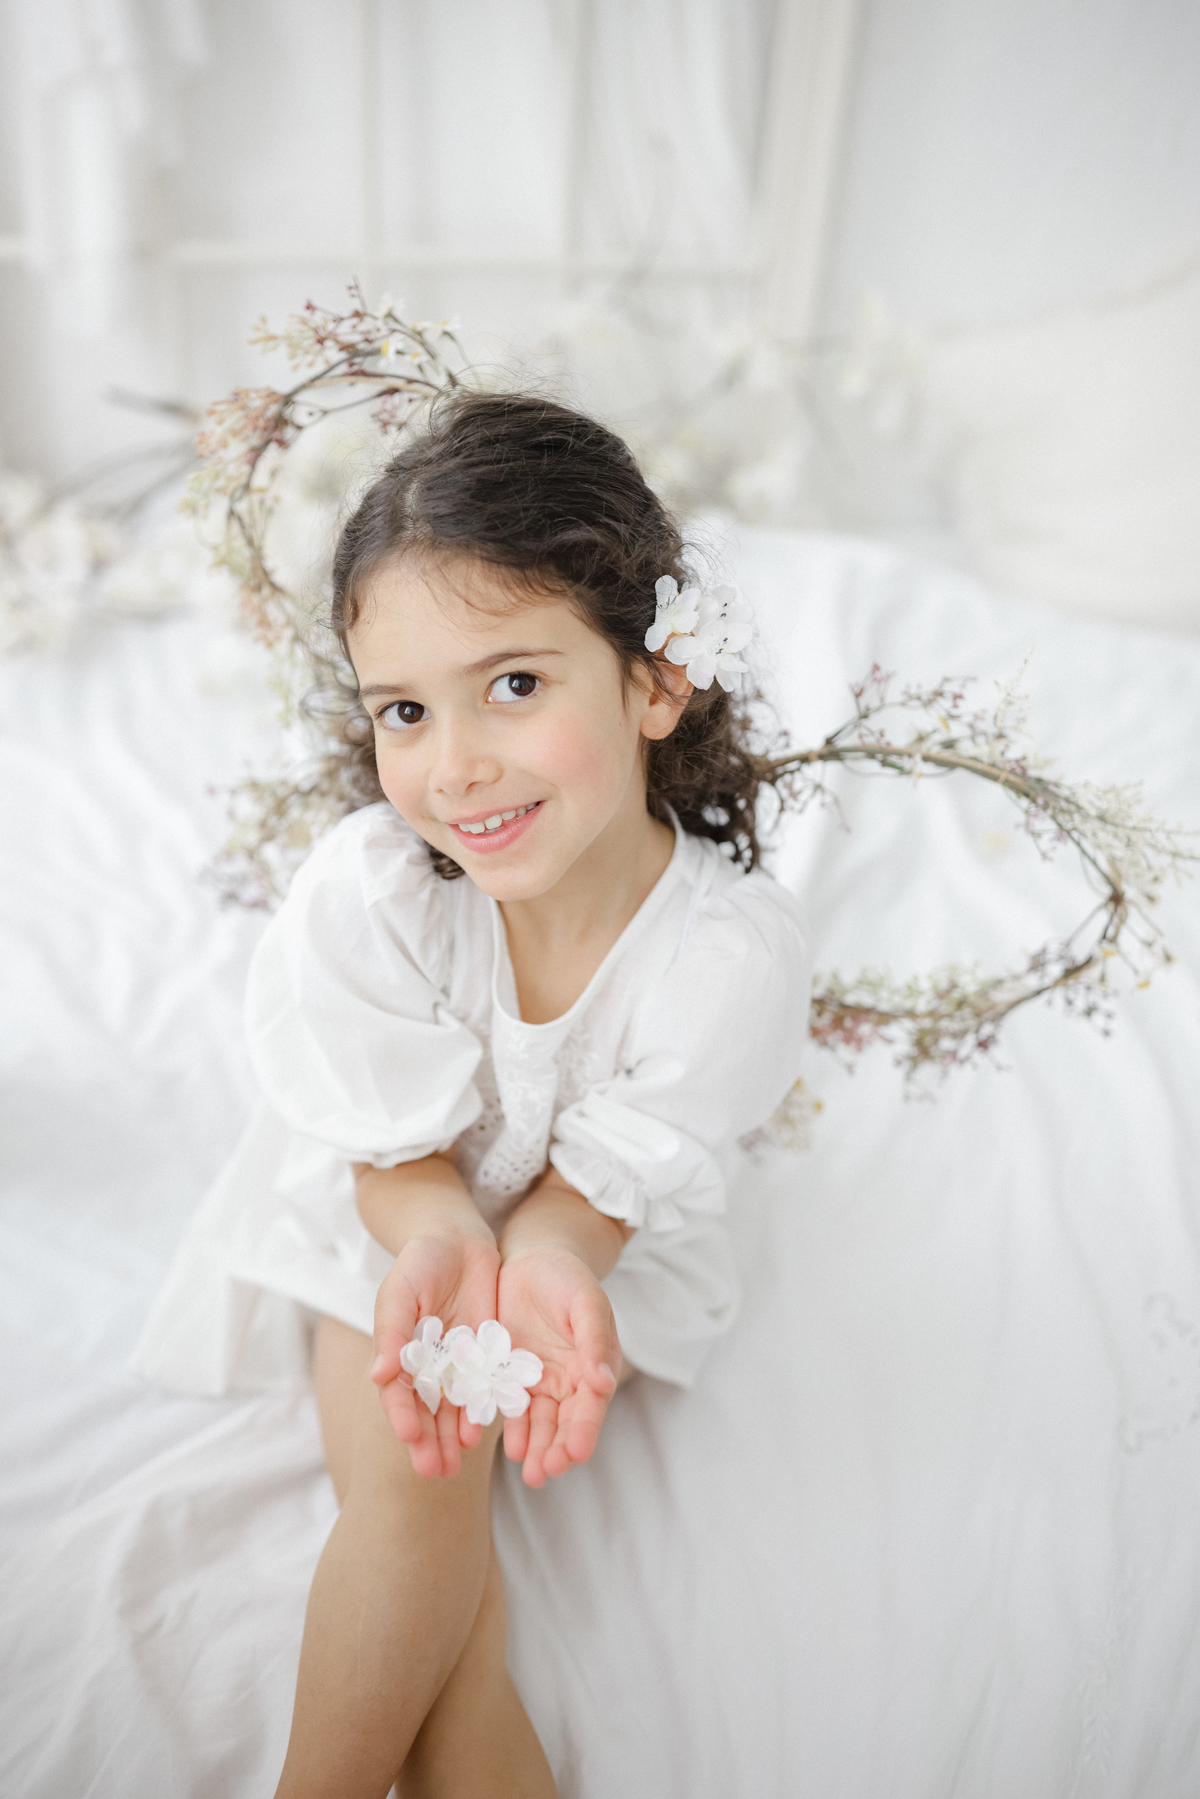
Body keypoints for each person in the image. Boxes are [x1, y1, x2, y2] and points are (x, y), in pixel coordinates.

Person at [133, 392, 812, 1797]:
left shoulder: (726, 960)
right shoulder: (375, 899)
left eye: (514, 684)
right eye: (405, 709)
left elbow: (597, 1187)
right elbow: (388, 1155)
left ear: (654, 680)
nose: (454, 765)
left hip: (577, 1240)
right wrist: (447, 1240)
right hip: (391, 1229)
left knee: (448, 1534)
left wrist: (549, 1258)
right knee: (422, 1478)